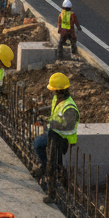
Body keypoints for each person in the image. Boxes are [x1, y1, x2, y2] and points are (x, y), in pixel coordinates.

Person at [33, 72, 79, 204]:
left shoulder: (70, 107)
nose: (52, 92)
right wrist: (42, 110)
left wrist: (52, 123)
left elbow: (69, 127)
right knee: (38, 144)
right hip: (53, 133)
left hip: (61, 139)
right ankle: (47, 168)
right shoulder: (58, 98)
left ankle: (52, 194)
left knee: (52, 165)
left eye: (54, 90)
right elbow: (54, 109)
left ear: (59, 90)